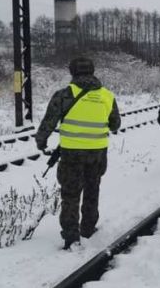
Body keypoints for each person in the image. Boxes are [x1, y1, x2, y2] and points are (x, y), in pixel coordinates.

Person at [36, 56, 121, 249]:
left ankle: (71, 236)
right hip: (98, 153)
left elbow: (48, 122)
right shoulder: (107, 96)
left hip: (72, 154)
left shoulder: (64, 94)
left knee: (71, 194)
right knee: (93, 189)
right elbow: (116, 124)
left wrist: (41, 142)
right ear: (92, 72)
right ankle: (88, 227)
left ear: (72, 72)